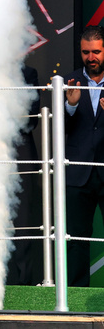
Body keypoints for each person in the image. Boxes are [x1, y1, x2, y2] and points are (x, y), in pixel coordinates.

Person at [65, 26, 104, 286]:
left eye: (97, 52)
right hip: (77, 173)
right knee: (76, 240)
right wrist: (71, 105)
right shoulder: (68, 81)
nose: (91, 57)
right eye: (86, 52)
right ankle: (77, 299)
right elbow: (55, 131)